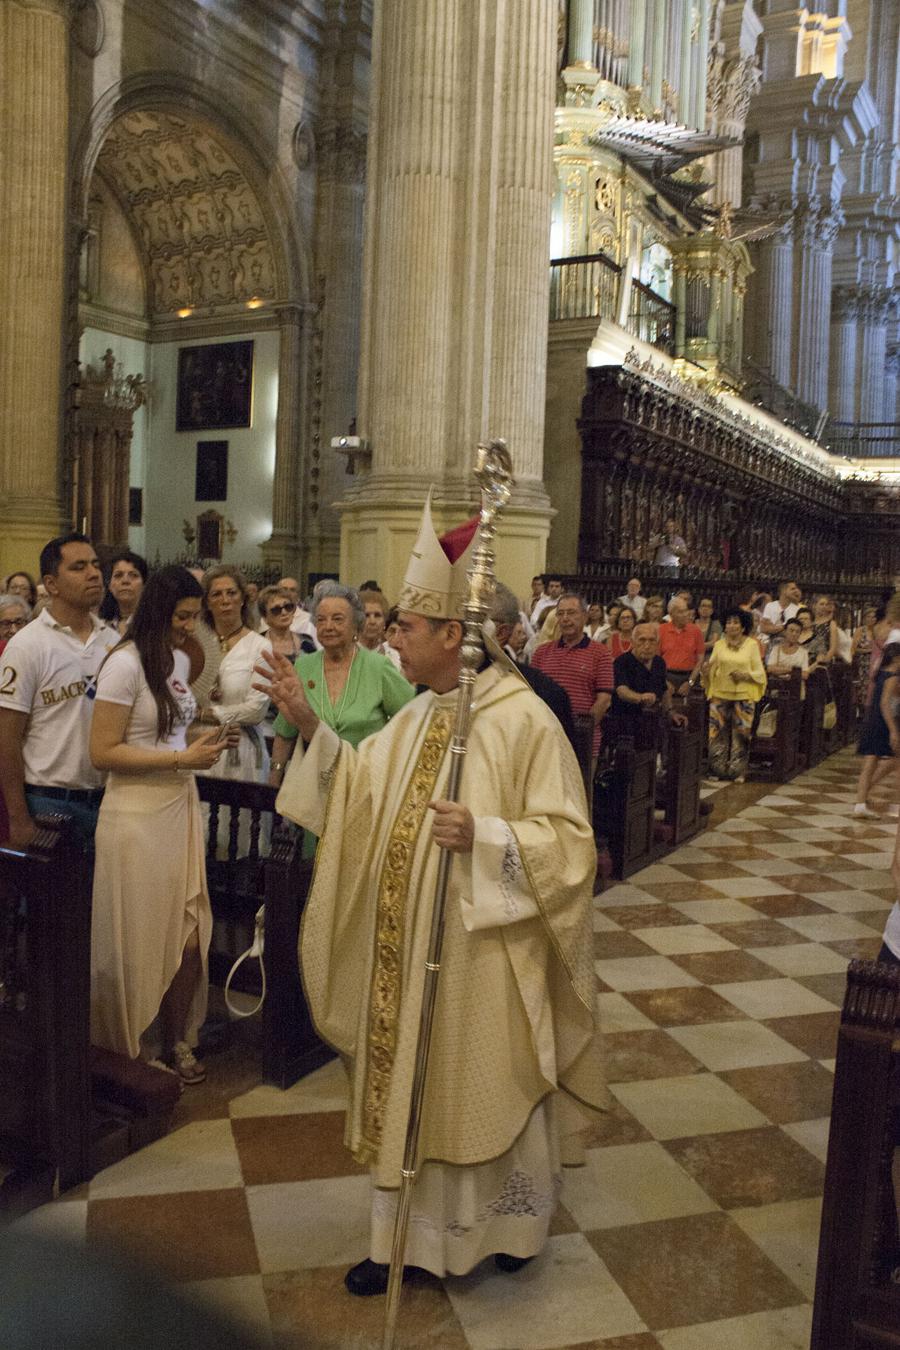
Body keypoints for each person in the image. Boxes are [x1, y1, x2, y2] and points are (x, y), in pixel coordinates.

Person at [257, 496, 607, 1293]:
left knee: (481, 1081)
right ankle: (400, 1245)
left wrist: (487, 836)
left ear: (456, 634)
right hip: (406, 954)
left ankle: (513, 1224)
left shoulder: (524, 722)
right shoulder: (417, 717)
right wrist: (312, 727)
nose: (390, 638)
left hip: (486, 951)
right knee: (410, 1086)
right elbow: (356, 791)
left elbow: (570, 846)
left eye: (406, 627)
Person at [89, 567, 235, 1082]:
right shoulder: (123, 665)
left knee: (189, 934)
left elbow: (168, 730)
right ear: (157, 612)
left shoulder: (173, 660)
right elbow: (103, 750)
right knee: (142, 936)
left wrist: (209, 735)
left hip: (177, 808)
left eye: (195, 617)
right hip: (134, 816)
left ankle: (178, 1038)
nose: (189, 627)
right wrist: (178, 761)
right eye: (182, 616)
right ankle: (133, 1045)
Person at [0, 533, 118, 848]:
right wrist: (18, 818)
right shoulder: (27, 645)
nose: (94, 573)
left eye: (95, 564)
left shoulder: (113, 642)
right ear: (51, 584)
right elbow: (7, 739)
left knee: (101, 898)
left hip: (108, 800)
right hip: (49, 802)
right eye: (79, 567)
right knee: (49, 897)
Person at [268, 581, 415, 793]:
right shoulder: (304, 665)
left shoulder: (378, 666)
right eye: (321, 620)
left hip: (365, 785)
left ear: (356, 624)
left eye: (337, 619)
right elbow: (285, 732)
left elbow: (411, 718)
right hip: (314, 786)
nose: (328, 626)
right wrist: (274, 781)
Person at [196, 567, 271, 854]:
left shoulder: (260, 646)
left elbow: (255, 710)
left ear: (243, 599)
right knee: (199, 835)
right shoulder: (195, 645)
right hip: (198, 745)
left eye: (231, 593)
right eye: (217, 594)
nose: (225, 600)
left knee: (239, 836)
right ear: (207, 602)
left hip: (242, 749)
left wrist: (209, 714)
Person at [531, 592, 614, 755]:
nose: (565, 618)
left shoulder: (601, 653)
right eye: (560, 614)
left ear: (584, 616)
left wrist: (580, 731)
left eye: (571, 613)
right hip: (546, 738)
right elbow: (531, 694)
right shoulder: (542, 652)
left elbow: (604, 700)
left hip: (582, 741)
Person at [702, 607, 767, 781]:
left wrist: (745, 675)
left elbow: (760, 672)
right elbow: (712, 668)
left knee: (741, 734)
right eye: (729, 622)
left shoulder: (752, 645)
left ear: (743, 626)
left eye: (736, 622)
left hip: (743, 695)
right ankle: (716, 769)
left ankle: (737, 771)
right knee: (716, 732)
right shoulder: (719, 644)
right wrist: (706, 670)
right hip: (720, 693)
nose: (732, 626)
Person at [609, 622, 687, 737]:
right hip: (625, 724)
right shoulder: (622, 662)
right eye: (642, 640)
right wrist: (640, 697)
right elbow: (622, 691)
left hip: (652, 723)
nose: (647, 645)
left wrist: (671, 712)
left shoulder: (659, 662)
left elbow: (664, 690)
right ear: (633, 642)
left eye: (652, 641)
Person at [854, 643, 900, 819]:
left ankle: (861, 802)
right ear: (897, 658)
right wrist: (893, 730)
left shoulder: (880, 673)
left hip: (872, 720)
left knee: (870, 763)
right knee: (889, 761)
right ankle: (891, 805)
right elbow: (885, 703)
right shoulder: (892, 676)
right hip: (881, 722)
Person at [657, 597, 705, 695]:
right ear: (671, 614)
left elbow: (700, 660)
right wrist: (663, 682)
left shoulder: (695, 631)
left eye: (686, 611)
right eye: (680, 612)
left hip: (690, 676)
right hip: (666, 676)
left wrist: (690, 682)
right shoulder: (661, 630)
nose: (685, 615)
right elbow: (655, 660)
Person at [99, 549, 148, 635]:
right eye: (118, 575)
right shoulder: (100, 626)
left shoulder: (155, 624)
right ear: (109, 585)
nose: (125, 581)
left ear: (144, 585)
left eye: (133, 575)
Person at [358, 588, 403, 669]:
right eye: (366, 615)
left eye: (377, 615)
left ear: (385, 620)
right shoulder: (345, 655)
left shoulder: (395, 658)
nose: (372, 621)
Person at [765, 616, 809, 688]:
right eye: (791, 630)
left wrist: (781, 670)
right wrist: (792, 670)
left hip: (795, 690)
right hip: (777, 689)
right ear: (785, 631)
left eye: (797, 632)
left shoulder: (803, 652)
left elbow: (805, 674)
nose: (794, 634)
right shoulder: (776, 649)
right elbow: (770, 669)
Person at [277, 575, 319, 647]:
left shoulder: (309, 620)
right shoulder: (267, 618)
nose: (288, 593)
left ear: (297, 595)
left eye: (292, 590)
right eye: (284, 589)